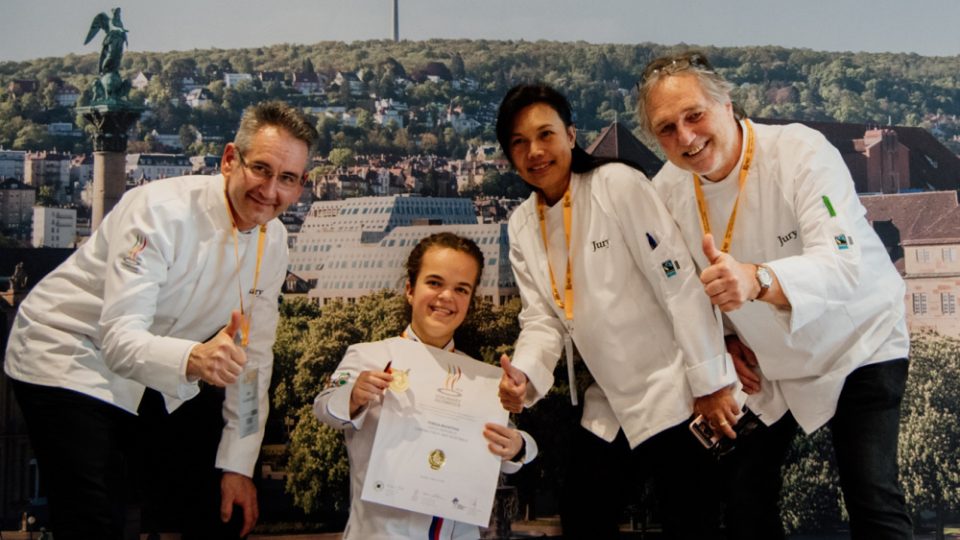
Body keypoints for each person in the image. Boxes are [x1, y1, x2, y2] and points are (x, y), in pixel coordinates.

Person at [4, 100, 317, 539]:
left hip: (164, 355)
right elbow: (118, 340)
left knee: (216, 506)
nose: (270, 190)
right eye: (261, 169)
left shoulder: (276, 240)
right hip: (69, 352)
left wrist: (238, 464)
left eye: (287, 178)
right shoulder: (159, 212)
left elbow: (254, 359)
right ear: (230, 160)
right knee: (95, 515)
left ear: (301, 185)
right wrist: (196, 360)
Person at [637, 51, 913, 540]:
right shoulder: (665, 192)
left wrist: (756, 279)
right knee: (744, 497)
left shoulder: (801, 152)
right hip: (770, 360)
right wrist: (722, 339)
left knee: (871, 496)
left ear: (726, 103)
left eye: (694, 115)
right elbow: (676, 294)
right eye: (666, 128)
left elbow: (844, 261)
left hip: (860, 339)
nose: (686, 137)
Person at [495, 83, 738, 539]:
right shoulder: (521, 225)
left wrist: (710, 382)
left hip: (676, 389)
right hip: (610, 400)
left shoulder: (617, 184)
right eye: (519, 143)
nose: (535, 152)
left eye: (545, 135)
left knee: (691, 523)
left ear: (571, 135)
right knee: (583, 513)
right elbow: (542, 320)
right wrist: (524, 375)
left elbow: (679, 284)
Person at [313, 232, 538, 539]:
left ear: (470, 302)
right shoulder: (370, 355)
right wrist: (353, 396)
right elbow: (326, 406)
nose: (446, 297)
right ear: (410, 289)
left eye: (461, 289)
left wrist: (516, 446)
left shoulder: (480, 378)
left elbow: (509, 444)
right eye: (434, 283)